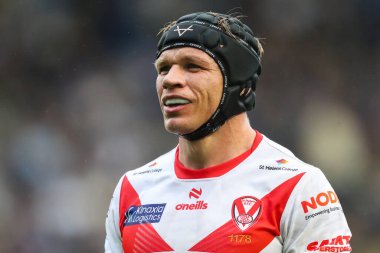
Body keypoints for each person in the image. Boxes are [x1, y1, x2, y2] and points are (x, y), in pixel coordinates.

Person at [105, 12, 352, 253]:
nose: (171, 80)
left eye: (192, 66)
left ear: (241, 87)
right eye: (163, 68)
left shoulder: (298, 186)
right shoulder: (133, 189)